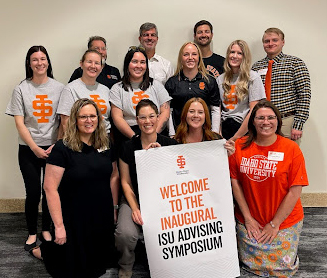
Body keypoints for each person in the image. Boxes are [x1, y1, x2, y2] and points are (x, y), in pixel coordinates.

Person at [29, 99, 119, 278]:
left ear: (99, 119)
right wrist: (59, 226)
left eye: (92, 116)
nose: (88, 120)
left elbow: (114, 176)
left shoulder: (107, 144)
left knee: (98, 265)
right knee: (71, 268)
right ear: (75, 120)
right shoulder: (62, 148)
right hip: (73, 217)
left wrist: (114, 208)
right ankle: (41, 250)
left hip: (100, 213)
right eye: (83, 116)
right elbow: (49, 188)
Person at [229, 99, 308, 277]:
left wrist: (275, 224)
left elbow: (295, 190)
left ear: (278, 121)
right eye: (260, 118)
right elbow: (235, 182)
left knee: (282, 267)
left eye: (271, 117)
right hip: (250, 219)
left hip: (284, 220)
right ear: (253, 121)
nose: (266, 122)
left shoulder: (291, 149)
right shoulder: (239, 147)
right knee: (248, 263)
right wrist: (248, 219)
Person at [5, 45, 64, 251]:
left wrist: (57, 144)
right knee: (32, 193)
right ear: (29, 64)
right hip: (29, 149)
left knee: (50, 190)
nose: (40, 63)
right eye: (35, 60)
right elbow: (20, 124)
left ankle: (46, 229)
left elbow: (63, 121)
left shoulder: (60, 88)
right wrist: (35, 148)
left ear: (48, 61)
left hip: (54, 148)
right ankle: (31, 232)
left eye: (43, 58)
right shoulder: (21, 89)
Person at [115, 99, 177, 278]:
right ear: (136, 120)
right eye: (142, 117)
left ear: (158, 118)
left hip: (163, 199)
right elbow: (125, 182)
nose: (147, 121)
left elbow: (176, 177)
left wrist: (159, 157)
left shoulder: (170, 145)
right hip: (134, 197)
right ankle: (126, 264)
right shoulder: (127, 147)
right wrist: (134, 208)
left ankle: (163, 262)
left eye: (151, 116)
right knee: (125, 234)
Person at [252, 28, 311, 143]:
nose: (270, 44)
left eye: (275, 40)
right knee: (265, 157)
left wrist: (298, 125)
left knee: (286, 158)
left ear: (282, 42)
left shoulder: (295, 64)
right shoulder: (256, 67)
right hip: (263, 123)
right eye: (267, 41)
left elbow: (304, 96)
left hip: (286, 121)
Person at [110, 46, 171, 146]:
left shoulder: (156, 85)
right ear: (127, 64)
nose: (139, 66)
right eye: (134, 61)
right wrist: (136, 139)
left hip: (156, 133)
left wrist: (154, 135)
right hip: (129, 137)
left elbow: (165, 111)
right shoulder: (117, 89)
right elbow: (117, 118)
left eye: (142, 62)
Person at [165, 42, 221, 136]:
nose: (190, 58)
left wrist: (214, 133)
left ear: (199, 57)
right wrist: (172, 134)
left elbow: (215, 109)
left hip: (204, 135)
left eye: (194, 54)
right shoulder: (172, 83)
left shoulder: (210, 81)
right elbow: (168, 111)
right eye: (186, 54)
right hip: (179, 135)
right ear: (181, 58)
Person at [217, 40, 265, 141]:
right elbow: (217, 109)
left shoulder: (253, 77)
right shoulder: (220, 79)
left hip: (244, 128)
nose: (235, 56)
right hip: (224, 128)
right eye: (232, 52)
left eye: (239, 53)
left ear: (245, 57)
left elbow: (254, 111)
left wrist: (236, 137)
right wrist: (219, 134)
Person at [58, 49, 111, 135]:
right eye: (89, 62)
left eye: (97, 63)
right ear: (81, 64)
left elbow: (107, 119)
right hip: (81, 140)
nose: (93, 66)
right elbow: (65, 123)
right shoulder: (70, 89)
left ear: (101, 68)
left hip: (104, 140)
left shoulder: (105, 90)